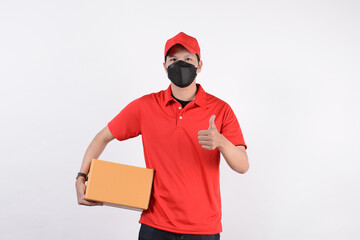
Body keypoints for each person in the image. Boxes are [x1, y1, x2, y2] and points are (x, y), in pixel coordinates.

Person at [75, 32, 249, 240]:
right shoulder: (145, 106)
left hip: (203, 229)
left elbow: (242, 166)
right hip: (155, 226)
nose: (180, 64)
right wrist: (81, 178)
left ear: (199, 65)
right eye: (173, 60)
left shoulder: (221, 110)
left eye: (187, 59)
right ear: (165, 66)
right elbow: (102, 137)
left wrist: (221, 142)